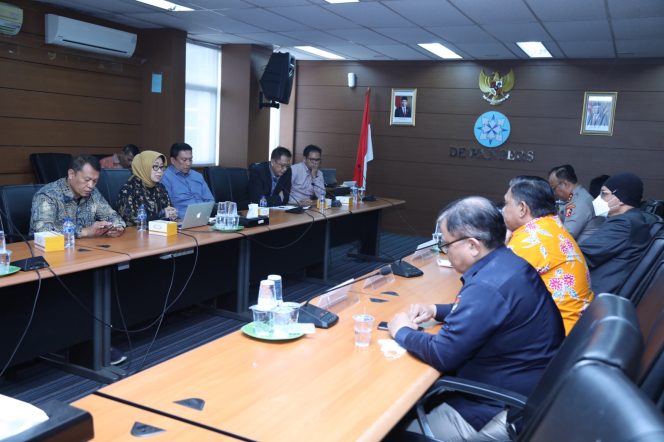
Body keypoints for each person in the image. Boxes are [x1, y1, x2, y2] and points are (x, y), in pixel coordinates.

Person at [388, 196, 564, 441]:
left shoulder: (488, 285)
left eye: (446, 243)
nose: (444, 250)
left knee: (392, 432)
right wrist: (435, 309)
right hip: (525, 387)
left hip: (497, 407)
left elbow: (442, 354)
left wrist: (402, 331)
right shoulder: (508, 263)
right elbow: (492, 314)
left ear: (473, 245)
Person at [503, 175, 594, 334]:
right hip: (577, 330)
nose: (503, 209)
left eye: (506, 203)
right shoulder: (551, 226)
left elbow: (491, 289)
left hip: (557, 338)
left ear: (522, 208)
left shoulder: (530, 240)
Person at [579, 172, 657, 294]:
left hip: (592, 294)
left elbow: (583, 255)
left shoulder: (623, 223)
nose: (598, 199)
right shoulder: (633, 219)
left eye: (604, 194)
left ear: (621, 198)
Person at [30, 155, 126, 238]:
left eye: (95, 181)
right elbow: (43, 233)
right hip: (50, 254)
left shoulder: (93, 193)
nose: (91, 186)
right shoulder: (47, 195)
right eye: (87, 179)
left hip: (85, 251)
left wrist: (116, 227)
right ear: (71, 174)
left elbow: (113, 216)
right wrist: (85, 232)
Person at [116, 150, 178, 226]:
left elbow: (168, 208)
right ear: (144, 167)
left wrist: (172, 214)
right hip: (137, 234)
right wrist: (161, 215)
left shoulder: (160, 187)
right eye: (155, 166)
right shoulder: (128, 189)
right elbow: (130, 220)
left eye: (162, 167)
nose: (160, 171)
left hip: (159, 230)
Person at [548, 164, 603, 242]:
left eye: (554, 188)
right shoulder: (573, 197)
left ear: (565, 184)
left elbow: (566, 235)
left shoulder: (579, 202)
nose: (554, 193)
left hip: (583, 251)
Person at [160, 142, 214, 219]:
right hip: (180, 220)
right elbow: (165, 208)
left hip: (203, 218)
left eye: (190, 159)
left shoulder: (198, 176)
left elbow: (210, 200)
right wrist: (188, 215)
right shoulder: (165, 177)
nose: (188, 163)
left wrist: (202, 215)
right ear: (173, 160)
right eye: (184, 160)